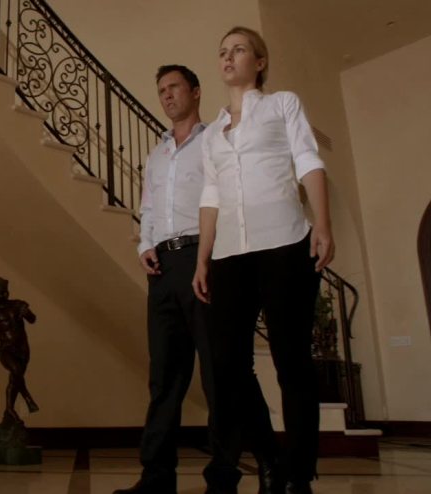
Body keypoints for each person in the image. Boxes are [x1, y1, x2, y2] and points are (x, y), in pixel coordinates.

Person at [114, 65, 278, 494]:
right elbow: (148, 207)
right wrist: (144, 244)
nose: (167, 96)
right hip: (162, 269)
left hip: (206, 260)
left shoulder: (215, 140)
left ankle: (223, 477)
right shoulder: (157, 154)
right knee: (164, 377)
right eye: (161, 90)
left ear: (196, 91)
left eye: (174, 87)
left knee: (220, 375)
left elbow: (230, 199)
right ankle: (156, 478)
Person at [192, 26, 335, 494]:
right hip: (229, 255)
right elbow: (210, 196)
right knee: (227, 365)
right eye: (223, 52)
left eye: (238, 50)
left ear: (259, 62)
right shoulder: (212, 134)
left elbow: (307, 160)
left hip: (285, 244)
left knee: (291, 361)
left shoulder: (282, 105)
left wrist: (323, 224)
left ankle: (299, 474)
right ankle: (270, 458)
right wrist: (203, 259)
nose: (228, 57)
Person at [0, 276, 39, 422]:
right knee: (16, 371)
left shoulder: (18, 305)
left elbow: (32, 319)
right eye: (1, 291)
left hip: (23, 350)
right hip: (5, 349)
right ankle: (28, 398)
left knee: (15, 380)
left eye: (5, 290)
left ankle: (9, 409)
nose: (5, 293)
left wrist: (27, 313)